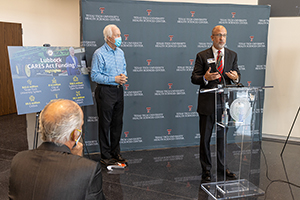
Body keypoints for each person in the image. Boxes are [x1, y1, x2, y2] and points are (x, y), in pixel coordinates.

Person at [8, 99, 106, 200]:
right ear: (75, 134)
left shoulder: (19, 160)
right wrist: (76, 159)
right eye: (80, 126)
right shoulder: (88, 169)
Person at [191, 25, 241, 182]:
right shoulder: (202, 55)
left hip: (224, 105)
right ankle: (206, 169)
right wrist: (205, 78)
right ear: (212, 37)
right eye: (219, 35)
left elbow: (237, 75)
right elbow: (194, 78)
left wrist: (236, 77)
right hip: (207, 104)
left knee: (222, 138)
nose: (222, 38)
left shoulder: (232, 55)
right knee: (205, 138)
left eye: (224, 35)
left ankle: (222, 167)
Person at [91, 24, 128, 166]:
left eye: (120, 34)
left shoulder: (120, 52)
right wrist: (114, 79)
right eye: (117, 35)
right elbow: (95, 75)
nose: (120, 38)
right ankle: (105, 155)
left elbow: (124, 69)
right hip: (105, 91)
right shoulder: (99, 53)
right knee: (105, 124)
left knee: (117, 123)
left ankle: (115, 153)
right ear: (108, 38)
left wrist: (123, 77)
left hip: (119, 90)